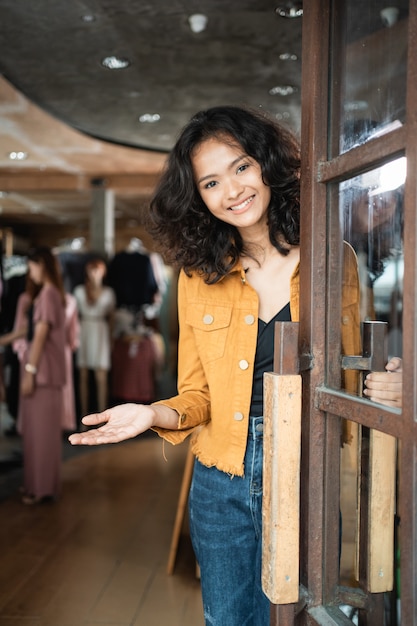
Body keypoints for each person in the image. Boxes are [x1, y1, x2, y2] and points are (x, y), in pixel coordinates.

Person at [69, 106, 402, 624]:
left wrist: (386, 385)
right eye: (210, 182)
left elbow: (351, 379)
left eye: (241, 167)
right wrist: (151, 414)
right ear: (198, 197)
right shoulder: (197, 279)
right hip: (218, 477)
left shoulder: (335, 261)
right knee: (226, 620)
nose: (232, 191)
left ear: (266, 165)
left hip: (304, 467)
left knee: (303, 616)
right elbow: (197, 395)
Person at [20, 247, 66, 505]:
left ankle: (42, 488)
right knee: (37, 433)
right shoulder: (49, 294)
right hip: (44, 372)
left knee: (43, 435)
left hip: (44, 373)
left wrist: (29, 371)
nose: (30, 272)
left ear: (42, 265)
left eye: (32, 266)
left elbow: (40, 336)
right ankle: (36, 484)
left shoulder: (48, 295)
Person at [74, 258, 115, 416]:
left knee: (101, 377)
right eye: (91, 269)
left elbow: (111, 318)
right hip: (84, 330)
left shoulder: (109, 292)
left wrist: (110, 339)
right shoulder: (79, 291)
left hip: (101, 332)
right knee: (83, 376)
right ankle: (83, 417)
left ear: (103, 272)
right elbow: (73, 317)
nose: (94, 273)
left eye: (97, 269)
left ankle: (103, 416)